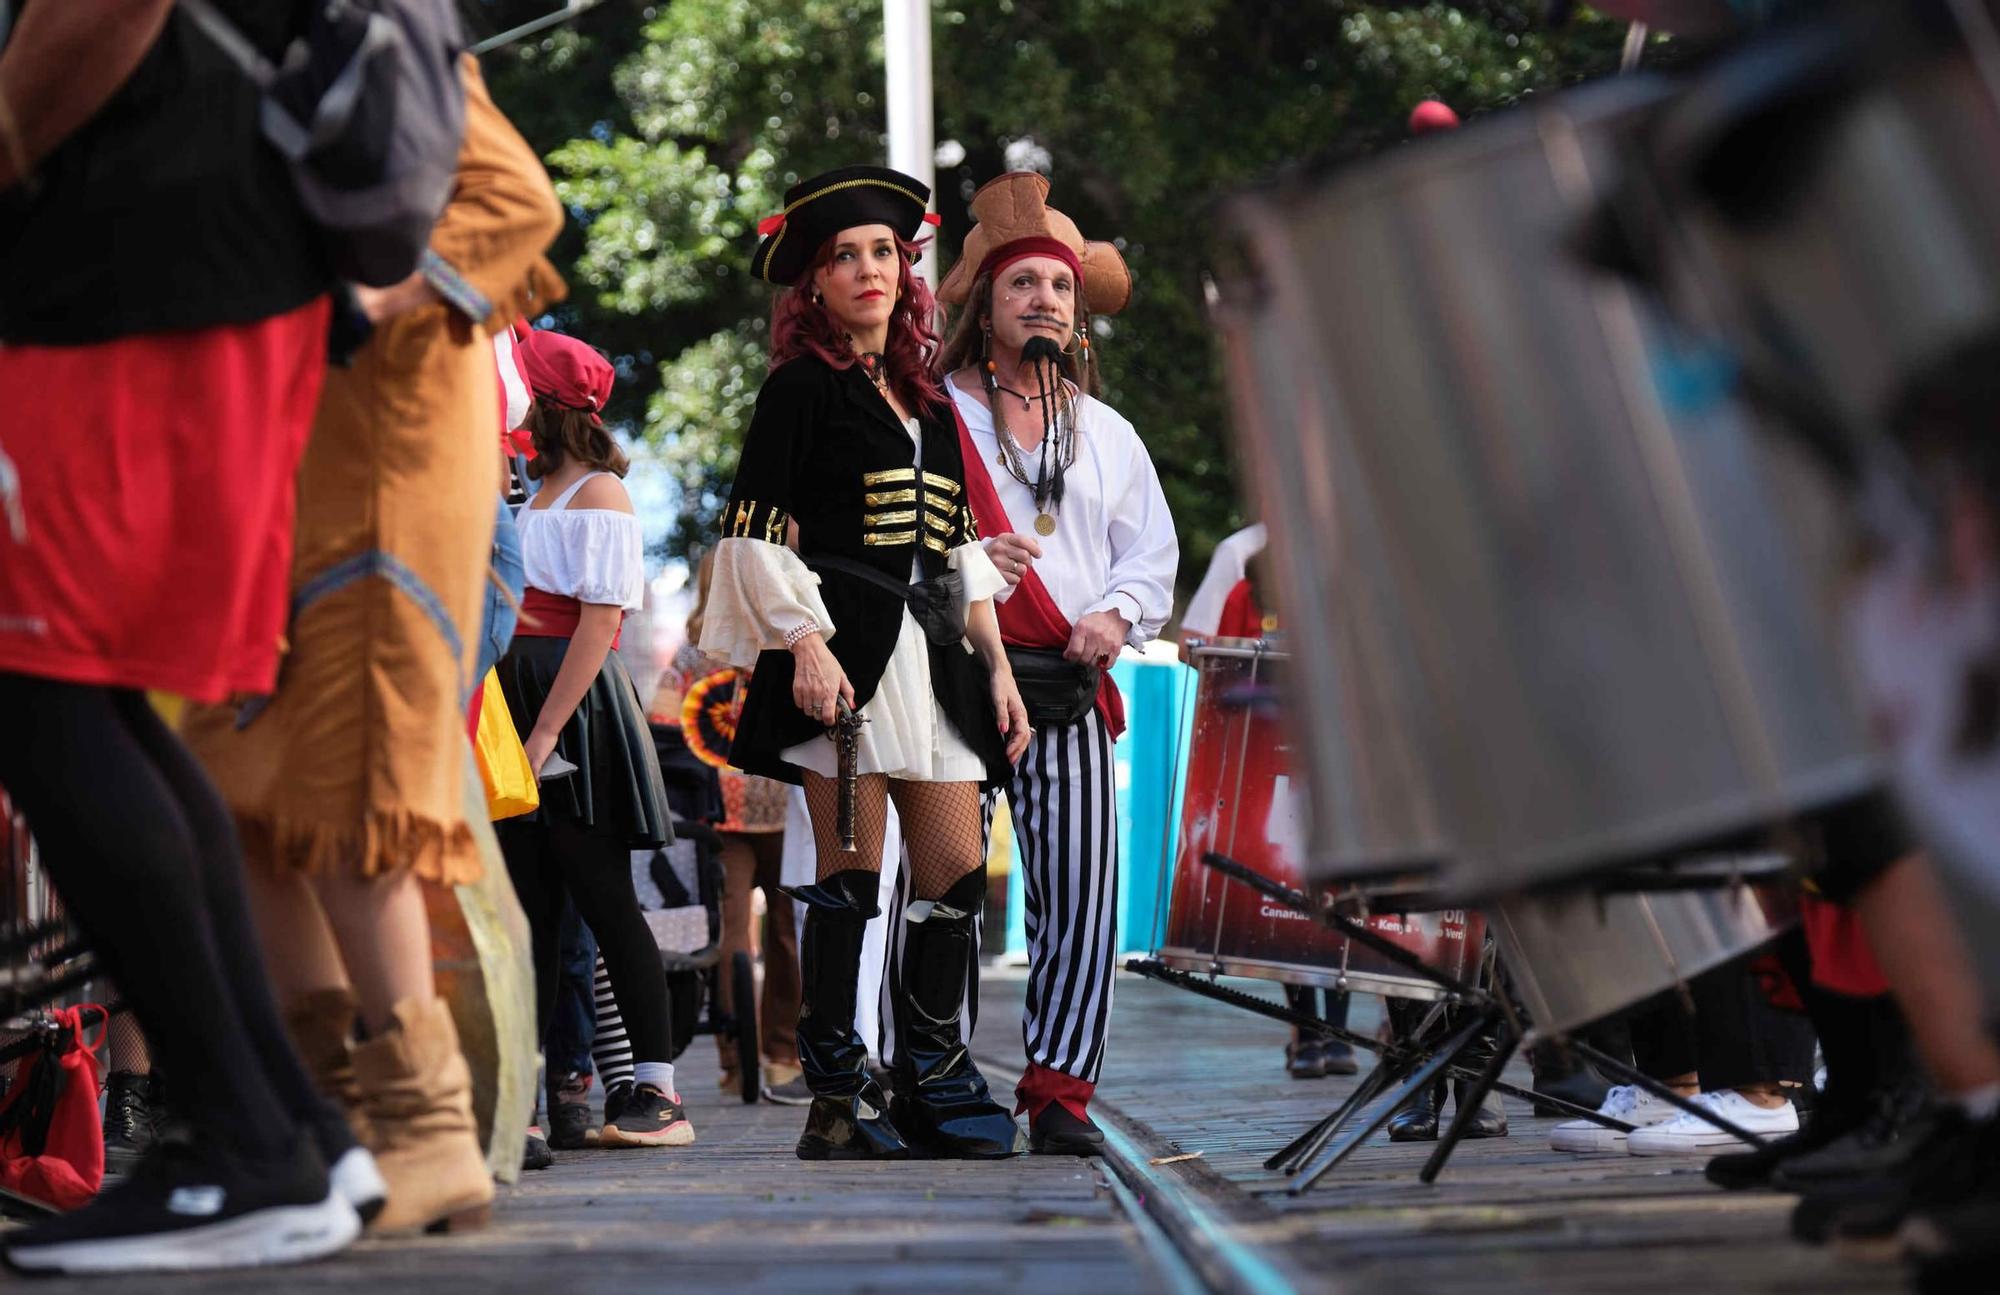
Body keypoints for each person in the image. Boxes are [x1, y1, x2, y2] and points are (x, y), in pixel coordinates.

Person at [0, 1, 360, 1272]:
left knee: (41, 690)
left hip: (132, 256)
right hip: (183, 251)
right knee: (75, 698)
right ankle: (286, 1128)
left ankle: (245, 1143)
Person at [178, 55, 564, 1234]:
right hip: (273, 452)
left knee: (349, 788)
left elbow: (514, 202)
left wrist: (360, 305)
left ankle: (427, 1128)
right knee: (240, 789)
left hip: (385, 449)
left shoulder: (365, 22)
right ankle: (325, 1117)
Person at [700, 164, 1032, 1161]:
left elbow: (953, 549)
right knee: (851, 876)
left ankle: (930, 1077)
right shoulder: (798, 388)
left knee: (954, 874)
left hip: (934, 661)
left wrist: (1000, 668)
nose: (865, 269)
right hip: (841, 661)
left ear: (904, 269)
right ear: (812, 284)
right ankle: (839, 1095)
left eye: (881, 252)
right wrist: (800, 639)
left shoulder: (928, 401)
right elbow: (752, 529)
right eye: (843, 257)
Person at [920, 171, 1178, 1154]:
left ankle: (1060, 1090)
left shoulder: (1108, 435)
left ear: (1077, 313)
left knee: (1080, 891)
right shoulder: (931, 417)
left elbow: (1145, 552)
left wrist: (1116, 613)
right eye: (1021, 282)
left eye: (1059, 287)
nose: (1043, 299)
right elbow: (898, 551)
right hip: (952, 682)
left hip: (1067, 689)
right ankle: (938, 1076)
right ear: (983, 302)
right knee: (942, 890)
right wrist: (964, 571)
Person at [495, 328, 693, 1148]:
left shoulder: (601, 495)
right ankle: (525, 1102)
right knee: (528, 912)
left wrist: (542, 734)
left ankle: (658, 1092)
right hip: (516, 700)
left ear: (541, 402)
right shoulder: (528, 494)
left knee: (608, 902)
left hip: (571, 709)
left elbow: (602, 622)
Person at [1180, 525, 1359, 1080]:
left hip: (1341, 762)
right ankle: (1309, 1031)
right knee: (1287, 893)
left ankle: (1338, 1031)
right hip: (1272, 763)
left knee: (1340, 892)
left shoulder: (1349, 579)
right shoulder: (1247, 582)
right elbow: (1207, 655)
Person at [679, 553, 809, 1104]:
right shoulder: (790, 638)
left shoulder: (694, 654)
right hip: (770, 808)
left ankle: (745, 1060)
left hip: (737, 811)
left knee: (739, 932)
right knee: (782, 935)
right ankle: (774, 1055)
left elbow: (666, 728)